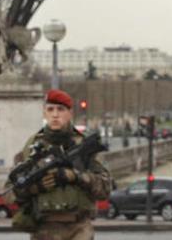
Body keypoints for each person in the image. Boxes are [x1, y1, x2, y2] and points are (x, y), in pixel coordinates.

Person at [8, 89, 111, 240]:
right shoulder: (32, 146)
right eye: (50, 109)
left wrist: (76, 176)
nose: (55, 115)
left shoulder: (84, 146)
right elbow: (10, 192)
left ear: (70, 113)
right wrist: (36, 188)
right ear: (44, 113)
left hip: (79, 228)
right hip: (44, 229)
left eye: (60, 109)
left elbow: (105, 188)